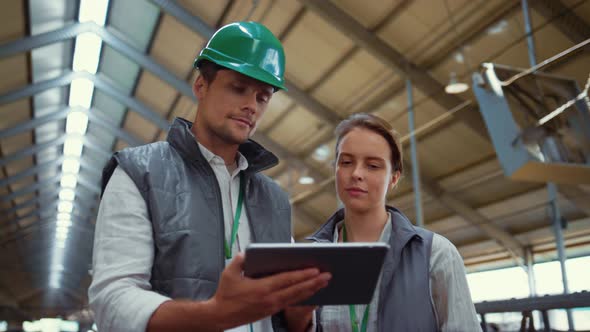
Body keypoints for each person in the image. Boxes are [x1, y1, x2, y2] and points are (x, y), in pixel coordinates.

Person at [88, 21, 330, 332]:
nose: (251, 106)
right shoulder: (139, 173)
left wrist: (299, 316)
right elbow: (112, 302)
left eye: (262, 97)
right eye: (238, 88)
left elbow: (282, 318)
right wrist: (215, 315)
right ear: (201, 85)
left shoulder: (274, 199)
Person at [306, 113, 481, 331]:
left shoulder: (436, 254)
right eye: (347, 162)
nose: (357, 173)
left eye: (373, 166)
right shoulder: (309, 256)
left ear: (394, 178)